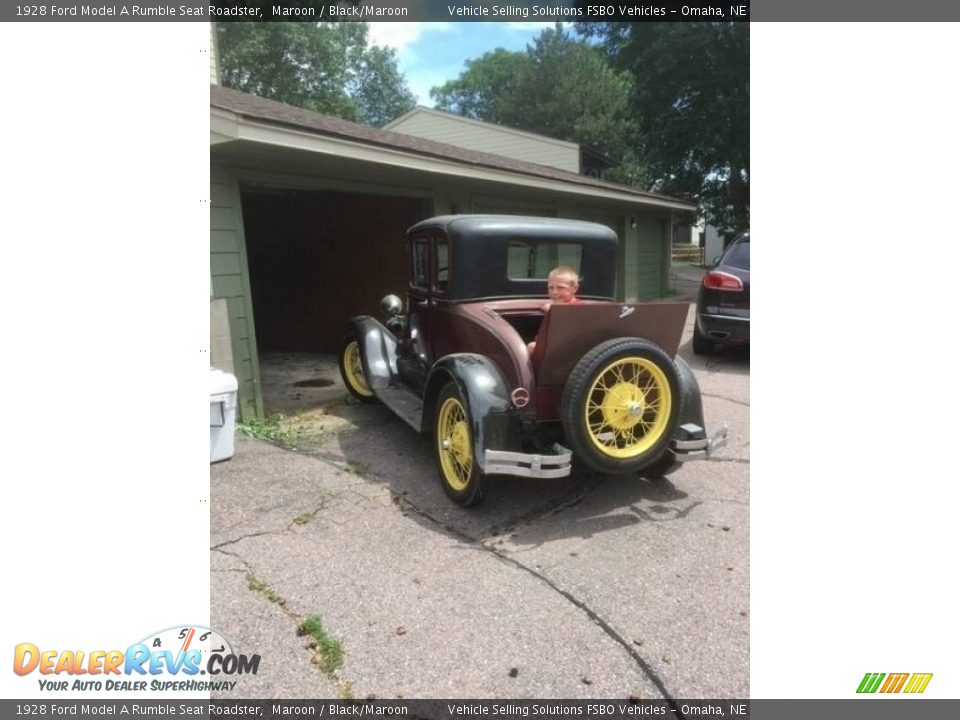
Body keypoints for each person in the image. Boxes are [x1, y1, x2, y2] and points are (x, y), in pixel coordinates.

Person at [528, 266, 582, 355]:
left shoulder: (580, 308)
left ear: (575, 288)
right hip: (553, 350)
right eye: (551, 288)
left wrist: (553, 310)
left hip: (567, 353)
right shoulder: (552, 306)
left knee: (531, 347)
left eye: (560, 288)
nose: (555, 292)